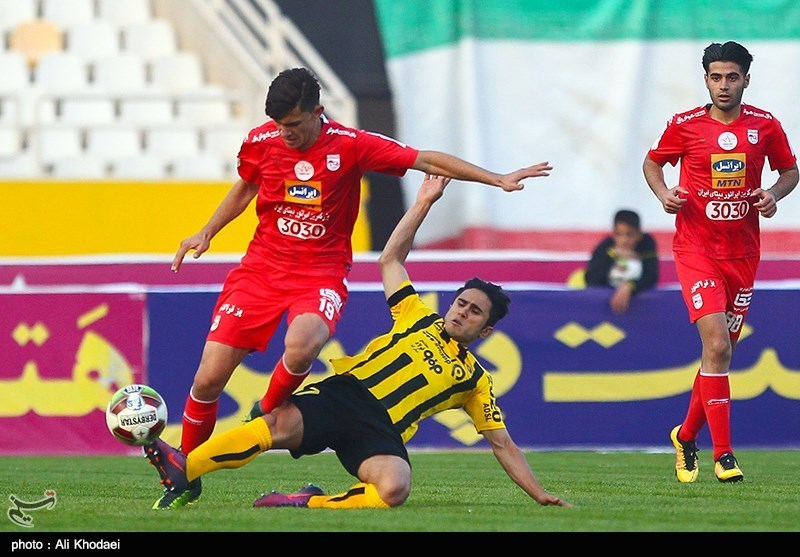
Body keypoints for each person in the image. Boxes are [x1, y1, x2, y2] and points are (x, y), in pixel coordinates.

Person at [167, 65, 554, 495]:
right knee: (207, 380)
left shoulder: (351, 146)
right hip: (260, 269)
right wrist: (207, 230)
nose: (285, 134)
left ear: (317, 111)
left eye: (293, 124)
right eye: (279, 125)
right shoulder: (262, 140)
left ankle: (270, 407)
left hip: (319, 273)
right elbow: (246, 185)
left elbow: (425, 159)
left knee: (304, 343)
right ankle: (184, 476)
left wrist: (495, 178)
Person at [144, 173, 570, 510]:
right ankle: (185, 467)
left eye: (474, 312)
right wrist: (422, 203)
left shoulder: (474, 381)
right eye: (461, 303)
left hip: (381, 430)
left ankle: (308, 501)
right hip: (345, 395)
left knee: (395, 488)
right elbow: (391, 259)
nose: (461, 312)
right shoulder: (417, 316)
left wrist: (538, 493)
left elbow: (502, 443)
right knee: (274, 426)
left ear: (485, 331)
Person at [642, 41, 798, 484]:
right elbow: (653, 164)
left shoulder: (765, 127)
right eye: (715, 77)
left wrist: (773, 194)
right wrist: (664, 193)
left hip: (743, 254)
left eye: (732, 77)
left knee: (719, 353)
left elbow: (790, 171)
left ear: (747, 79)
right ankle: (724, 454)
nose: (723, 85)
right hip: (696, 250)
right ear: (706, 79)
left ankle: (686, 435)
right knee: (717, 346)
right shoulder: (684, 125)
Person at [584, 209, 659, 314]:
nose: (623, 240)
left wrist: (629, 287)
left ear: (639, 234)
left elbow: (651, 276)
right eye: (618, 234)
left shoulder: (646, 244)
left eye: (629, 234)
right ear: (613, 233)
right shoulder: (605, 247)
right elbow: (591, 279)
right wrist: (612, 255)